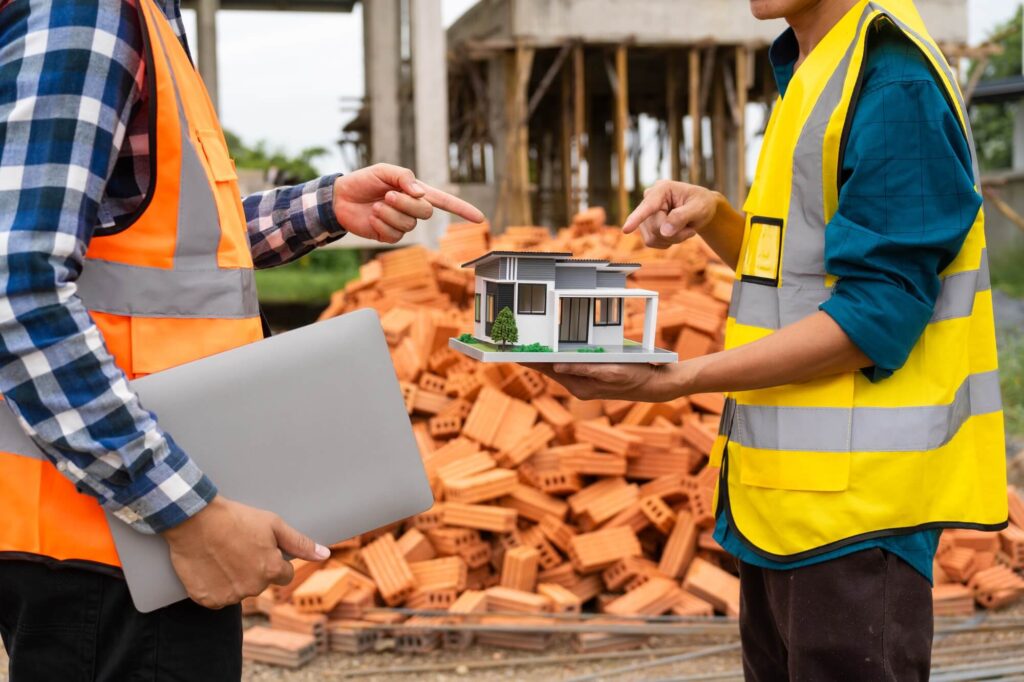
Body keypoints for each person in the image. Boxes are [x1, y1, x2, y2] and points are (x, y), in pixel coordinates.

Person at [0, 0, 484, 678]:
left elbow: (156, 246)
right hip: (118, 542)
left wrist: (326, 205)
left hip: (123, 528)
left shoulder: (138, 17)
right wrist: (187, 514)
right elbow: (15, 288)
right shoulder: (86, 10)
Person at [533, 0, 1007, 679]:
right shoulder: (814, 66)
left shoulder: (890, 77)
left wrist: (678, 379)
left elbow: (875, 315)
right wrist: (720, 217)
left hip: (856, 523)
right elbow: (802, 284)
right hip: (781, 512)